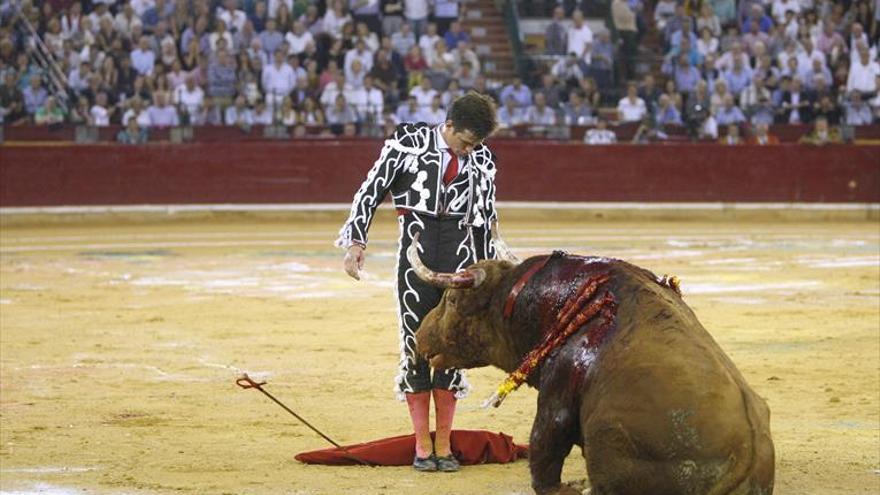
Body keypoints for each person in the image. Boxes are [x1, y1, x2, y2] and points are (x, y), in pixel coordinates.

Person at [336, 92, 500, 473]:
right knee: (416, 347)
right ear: (450, 125)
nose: (468, 150)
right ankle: (421, 444)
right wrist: (355, 242)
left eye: (475, 145)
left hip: (462, 267)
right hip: (415, 263)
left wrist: (487, 272)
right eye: (465, 142)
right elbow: (371, 191)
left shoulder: (483, 158)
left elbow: (486, 219)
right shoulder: (409, 143)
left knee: (453, 348)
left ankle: (444, 443)